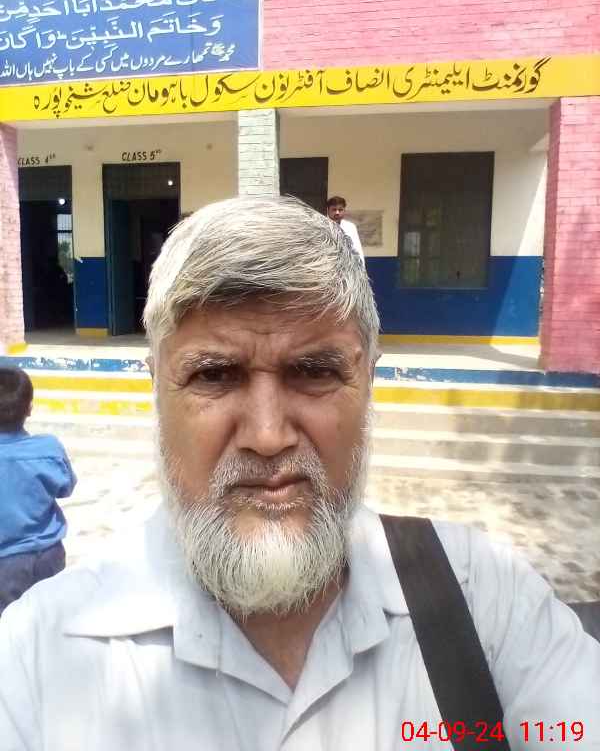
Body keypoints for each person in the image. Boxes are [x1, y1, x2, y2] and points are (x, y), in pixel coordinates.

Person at [0, 196, 598, 751]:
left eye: (314, 372)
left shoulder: (485, 600)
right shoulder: (36, 657)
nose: (267, 436)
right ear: (156, 388)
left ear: (369, 382)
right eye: (214, 375)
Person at [0, 367, 76, 616]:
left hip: (5, 562)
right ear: (29, 408)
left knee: (9, 628)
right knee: (50, 620)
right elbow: (66, 487)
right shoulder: (48, 448)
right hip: (49, 554)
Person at [326, 194, 365, 261]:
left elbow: (357, 249)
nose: (337, 212)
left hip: (346, 264)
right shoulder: (321, 226)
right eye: (334, 209)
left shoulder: (350, 227)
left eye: (340, 210)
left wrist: (361, 266)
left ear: (344, 211)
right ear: (328, 210)